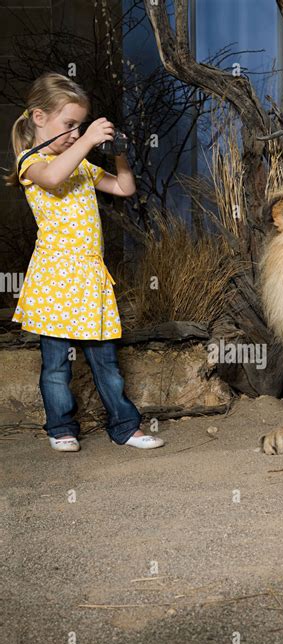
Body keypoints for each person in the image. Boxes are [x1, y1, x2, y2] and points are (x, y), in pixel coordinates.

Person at [5, 72, 163, 452]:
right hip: (55, 281)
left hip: (90, 279)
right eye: (69, 124)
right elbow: (54, 177)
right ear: (39, 118)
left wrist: (117, 151)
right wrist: (89, 138)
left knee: (106, 362)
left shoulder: (82, 165)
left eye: (80, 126)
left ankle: (125, 426)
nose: (76, 134)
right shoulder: (33, 163)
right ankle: (61, 427)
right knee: (57, 365)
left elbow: (124, 188)